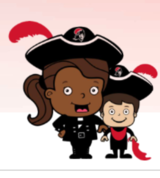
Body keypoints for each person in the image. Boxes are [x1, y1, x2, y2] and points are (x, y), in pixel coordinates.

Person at [12, 24, 123, 159]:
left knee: (86, 144)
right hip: (73, 135)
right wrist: (62, 130)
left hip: (88, 135)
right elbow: (57, 123)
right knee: (75, 145)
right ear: (50, 93)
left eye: (93, 90)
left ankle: (85, 153)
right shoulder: (66, 117)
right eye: (68, 90)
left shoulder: (92, 117)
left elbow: (98, 121)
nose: (82, 95)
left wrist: (102, 126)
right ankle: (77, 153)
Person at [99, 64, 154, 159]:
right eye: (111, 111)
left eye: (125, 111)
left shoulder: (125, 128)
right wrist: (105, 135)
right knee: (114, 146)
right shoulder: (110, 129)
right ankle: (115, 154)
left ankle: (122, 154)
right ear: (102, 114)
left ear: (134, 114)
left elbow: (129, 131)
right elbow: (107, 131)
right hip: (113, 139)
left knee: (123, 146)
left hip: (123, 139)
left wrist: (132, 136)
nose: (119, 115)